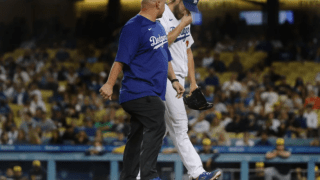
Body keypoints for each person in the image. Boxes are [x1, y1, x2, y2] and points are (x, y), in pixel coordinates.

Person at [99, 0, 185, 179]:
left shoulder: (159, 27)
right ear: (157, 3)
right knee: (157, 119)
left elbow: (165, 56)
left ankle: (128, 176)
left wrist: (174, 79)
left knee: (136, 136)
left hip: (152, 92)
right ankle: (149, 175)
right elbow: (121, 58)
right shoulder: (133, 26)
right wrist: (109, 83)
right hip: (137, 90)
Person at [138, 0, 222, 179]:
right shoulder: (161, 14)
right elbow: (161, 43)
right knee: (180, 126)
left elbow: (188, 51)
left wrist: (193, 83)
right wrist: (183, 24)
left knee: (160, 131)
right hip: (164, 77)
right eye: (186, 6)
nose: (188, 11)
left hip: (179, 80)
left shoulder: (183, 16)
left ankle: (138, 175)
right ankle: (198, 172)